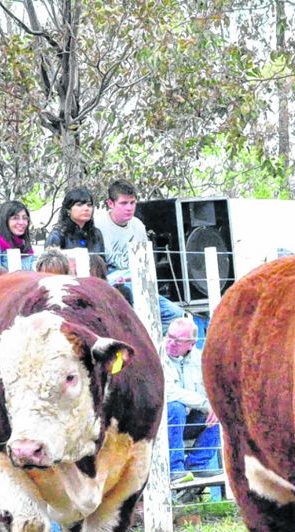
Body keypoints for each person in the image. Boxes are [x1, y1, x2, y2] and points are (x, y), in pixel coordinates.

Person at [97, 178, 185, 331]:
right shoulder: (98, 224)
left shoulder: (138, 226)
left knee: (176, 315)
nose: (129, 208)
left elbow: (144, 264)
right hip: (111, 284)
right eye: (124, 203)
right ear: (110, 203)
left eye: (132, 203)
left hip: (136, 282)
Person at [163, 317, 221, 497]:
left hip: (188, 421)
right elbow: (168, 392)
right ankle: (175, 469)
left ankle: (197, 465)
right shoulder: (157, 354)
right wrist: (205, 404)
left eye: (178, 340)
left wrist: (215, 406)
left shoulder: (201, 361)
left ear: (191, 344)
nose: (171, 343)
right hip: (161, 424)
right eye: (169, 336)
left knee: (221, 412)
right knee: (175, 407)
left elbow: (214, 390)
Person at [44, 187, 105, 255]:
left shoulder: (96, 234)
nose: (86, 208)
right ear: (68, 210)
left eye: (89, 205)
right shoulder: (57, 236)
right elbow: (49, 261)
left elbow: (102, 260)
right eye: (79, 205)